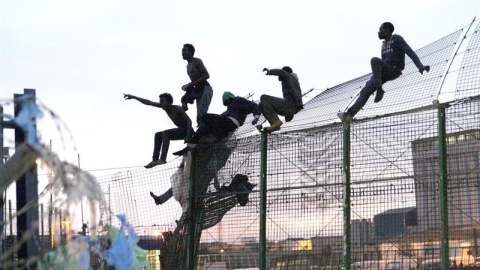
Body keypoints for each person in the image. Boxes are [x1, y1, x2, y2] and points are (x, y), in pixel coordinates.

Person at [341, 22, 430, 120]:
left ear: (387, 30)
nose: (378, 32)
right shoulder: (383, 44)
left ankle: (379, 89)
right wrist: (376, 77)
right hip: (383, 71)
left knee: (374, 60)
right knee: (366, 90)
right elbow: (382, 62)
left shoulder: (397, 39)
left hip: (394, 70)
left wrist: (420, 66)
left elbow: (410, 53)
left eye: (380, 30)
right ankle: (350, 114)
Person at [123, 93, 193, 168]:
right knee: (158, 135)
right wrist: (133, 97)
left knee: (166, 133)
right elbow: (149, 102)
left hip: (187, 130)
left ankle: (163, 159)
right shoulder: (165, 107)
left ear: (169, 102)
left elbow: (189, 121)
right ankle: (155, 160)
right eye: (160, 102)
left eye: (163, 101)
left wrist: (188, 136)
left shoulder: (177, 108)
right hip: (180, 131)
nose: (161, 103)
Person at [258, 66, 303, 133]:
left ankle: (275, 121)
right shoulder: (292, 82)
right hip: (291, 108)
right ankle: (275, 126)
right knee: (261, 105)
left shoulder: (288, 76)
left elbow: (281, 72)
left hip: (291, 104)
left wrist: (269, 72)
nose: (279, 77)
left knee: (264, 98)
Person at [181, 43, 213, 123]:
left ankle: (206, 130)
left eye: (185, 51)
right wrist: (189, 86)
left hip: (205, 89)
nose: (183, 53)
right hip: (198, 90)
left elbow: (206, 75)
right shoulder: (188, 66)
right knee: (183, 99)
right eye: (182, 51)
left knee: (201, 115)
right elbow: (194, 81)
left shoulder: (197, 61)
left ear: (191, 52)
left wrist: (191, 84)